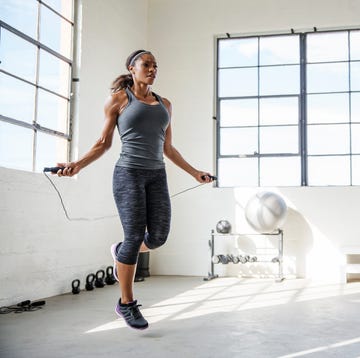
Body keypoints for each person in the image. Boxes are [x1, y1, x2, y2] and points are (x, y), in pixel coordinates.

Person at [56, 49, 214, 330]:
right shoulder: (118, 100)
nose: (153, 69)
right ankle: (126, 303)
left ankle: (121, 252)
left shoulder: (165, 104)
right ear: (132, 68)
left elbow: (167, 148)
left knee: (158, 237)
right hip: (127, 174)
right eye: (147, 64)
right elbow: (103, 143)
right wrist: (77, 164)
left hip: (157, 175)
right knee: (133, 237)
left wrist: (194, 173)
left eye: (155, 65)